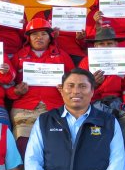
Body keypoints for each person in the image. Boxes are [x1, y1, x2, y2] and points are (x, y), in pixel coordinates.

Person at [8, 18, 75, 158]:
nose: (39, 38)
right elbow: (7, 84)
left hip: (55, 105)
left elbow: (74, 81)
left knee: (55, 140)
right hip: (25, 106)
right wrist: (16, 91)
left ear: (50, 37)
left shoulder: (62, 55)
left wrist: (66, 89)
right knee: (23, 141)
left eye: (43, 34)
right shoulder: (19, 56)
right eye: (34, 34)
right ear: (28, 37)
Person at [79, 27, 125, 155]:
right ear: (95, 46)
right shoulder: (85, 63)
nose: (106, 46)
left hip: (116, 104)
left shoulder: (124, 62)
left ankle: (120, 155)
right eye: (102, 43)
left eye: (110, 43)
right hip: (93, 105)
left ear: (116, 45)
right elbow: (78, 93)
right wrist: (93, 84)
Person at [34, 0, 88, 66]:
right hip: (49, 53)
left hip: (75, 55)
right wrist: (51, 36)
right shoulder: (41, 16)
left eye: (65, 4)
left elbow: (86, 44)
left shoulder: (79, 16)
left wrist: (81, 39)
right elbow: (31, 38)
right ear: (52, 4)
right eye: (58, 4)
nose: (62, 6)